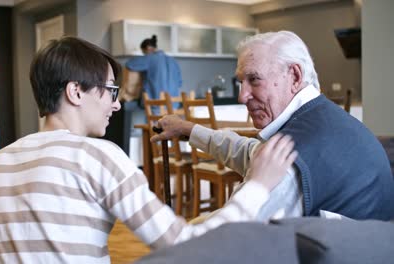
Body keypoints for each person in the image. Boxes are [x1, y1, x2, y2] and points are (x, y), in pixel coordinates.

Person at [0, 36, 298, 263]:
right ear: (75, 92)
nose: (117, 104)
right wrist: (258, 186)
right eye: (110, 91)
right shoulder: (98, 156)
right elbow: (184, 247)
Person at [151, 30, 394, 221]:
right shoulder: (320, 120)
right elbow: (251, 153)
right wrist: (189, 129)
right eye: (241, 82)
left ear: (295, 77)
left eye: (254, 79)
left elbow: (230, 237)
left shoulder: (293, 160)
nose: (242, 95)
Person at [125, 35, 182, 103]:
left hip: (156, 102)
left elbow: (130, 64)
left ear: (148, 49)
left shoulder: (150, 58)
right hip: (174, 103)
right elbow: (179, 83)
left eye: (144, 53)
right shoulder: (173, 61)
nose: (144, 55)